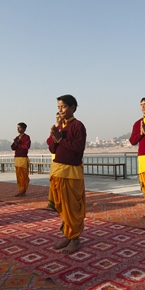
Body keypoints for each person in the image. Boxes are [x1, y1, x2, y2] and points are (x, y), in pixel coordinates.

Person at [47, 95, 86, 254]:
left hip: (71, 172)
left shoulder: (78, 126)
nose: (60, 110)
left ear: (73, 108)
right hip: (58, 169)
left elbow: (79, 147)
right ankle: (68, 235)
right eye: (58, 107)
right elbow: (52, 149)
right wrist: (54, 138)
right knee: (61, 204)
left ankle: (75, 239)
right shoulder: (59, 126)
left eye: (63, 107)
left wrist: (61, 139)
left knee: (72, 207)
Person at [11, 122, 31, 197]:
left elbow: (26, 146)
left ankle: (23, 190)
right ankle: (20, 190)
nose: (18, 129)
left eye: (19, 128)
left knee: (23, 176)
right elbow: (13, 147)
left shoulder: (26, 137)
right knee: (18, 176)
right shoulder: (17, 138)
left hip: (23, 158)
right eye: (17, 128)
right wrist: (16, 143)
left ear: (24, 129)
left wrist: (18, 144)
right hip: (17, 158)